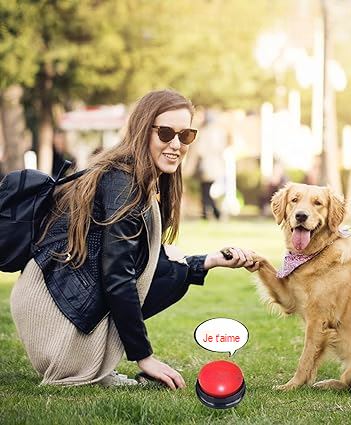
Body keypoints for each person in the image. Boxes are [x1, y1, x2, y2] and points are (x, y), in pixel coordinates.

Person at [10, 89, 258, 389]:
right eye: (165, 133)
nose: (176, 145)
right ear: (143, 131)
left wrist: (208, 261)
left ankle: (96, 356)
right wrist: (144, 357)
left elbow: (146, 263)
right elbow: (117, 276)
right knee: (155, 272)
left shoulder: (144, 178)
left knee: (176, 272)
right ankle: (84, 358)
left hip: (63, 298)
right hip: (53, 313)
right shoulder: (123, 182)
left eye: (186, 135)